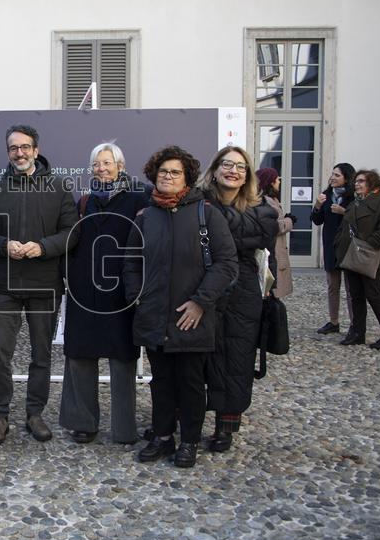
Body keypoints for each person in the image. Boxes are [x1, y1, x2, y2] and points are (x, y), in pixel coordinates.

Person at [123, 146, 237, 468]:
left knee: (189, 383)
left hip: (192, 317)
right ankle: (162, 436)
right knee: (161, 381)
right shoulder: (145, 217)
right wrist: (137, 297)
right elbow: (131, 262)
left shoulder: (206, 213)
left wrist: (200, 302)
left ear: (186, 176)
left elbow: (227, 264)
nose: (168, 177)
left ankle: (189, 441)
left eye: (175, 172)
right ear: (153, 176)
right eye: (163, 172)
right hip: (155, 315)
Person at [0, 125, 78, 445]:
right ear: (8, 152)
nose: (19, 153)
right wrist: (4, 245)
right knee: (0, 355)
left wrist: (43, 246)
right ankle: (0, 415)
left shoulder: (59, 187)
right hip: (3, 285)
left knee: (41, 355)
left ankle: (35, 413)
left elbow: (72, 231)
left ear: (36, 149)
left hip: (45, 284)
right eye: (13, 148)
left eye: (25, 147)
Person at [60, 142, 151, 445]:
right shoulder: (85, 201)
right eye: (96, 164)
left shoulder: (140, 197)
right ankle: (84, 423)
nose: (101, 168)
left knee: (122, 360)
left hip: (121, 291)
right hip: (84, 290)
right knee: (80, 357)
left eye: (107, 163)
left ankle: (124, 429)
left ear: (121, 167)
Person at [197, 146, 278, 455]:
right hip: (203, 285)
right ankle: (187, 415)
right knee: (199, 356)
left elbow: (258, 234)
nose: (233, 171)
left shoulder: (262, 209)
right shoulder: (198, 203)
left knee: (237, 360)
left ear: (248, 176)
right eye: (227, 165)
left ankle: (225, 426)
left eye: (241, 167)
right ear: (215, 169)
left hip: (243, 292)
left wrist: (213, 225)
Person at [334, 169, 380, 349]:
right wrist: (339, 244)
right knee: (356, 295)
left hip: (370, 258)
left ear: (372, 183)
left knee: (374, 295)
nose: (357, 184)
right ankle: (357, 333)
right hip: (352, 256)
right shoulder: (357, 202)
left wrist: (369, 244)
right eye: (356, 181)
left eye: (361, 181)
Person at [310, 163, 356, 334]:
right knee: (332, 286)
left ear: (346, 178)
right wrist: (317, 205)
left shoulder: (354, 197)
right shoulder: (327, 195)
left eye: (337, 175)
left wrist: (344, 212)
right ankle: (333, 321)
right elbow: (316, 220)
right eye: (332, 174)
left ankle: (355, 324)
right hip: (331, 247)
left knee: (352, 289)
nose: (333, 178)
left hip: (348, 247)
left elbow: (360, 221)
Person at [256, 167, 295, 299]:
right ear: (270, 182)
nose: (279, 182)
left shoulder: (270, 200)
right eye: (277, 179)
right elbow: (273, 227)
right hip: (272, 251)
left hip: (275, 251)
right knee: (271, 293)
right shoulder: (266, 202)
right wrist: (289, 221)